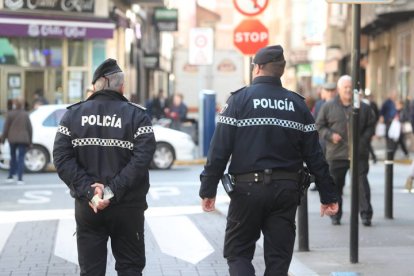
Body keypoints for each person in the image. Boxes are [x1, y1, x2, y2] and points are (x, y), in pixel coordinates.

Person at [199, 45, 338, 276]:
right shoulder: (298, 104)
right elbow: (315, 155)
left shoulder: (238, 101)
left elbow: (219, 150)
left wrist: (208, 189)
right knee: (278, 260)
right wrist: (328, 195)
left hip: (246, 191)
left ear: (258, 68)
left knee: (238, 253)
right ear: (280, 71)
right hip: (286, 191)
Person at [53, 58, 156, 275]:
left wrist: (91, 192)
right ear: (120, 86)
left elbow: (61, 158)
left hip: (89, 206)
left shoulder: (73, 115)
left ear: (97, 85)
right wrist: (111, 191)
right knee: (130, 268)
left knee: (91, 271)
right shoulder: (138, 116)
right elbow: (142, 160)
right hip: (127, 207)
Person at [316, 75, 376, 226]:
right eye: (345, 87)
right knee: (336, 186)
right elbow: (319, 125)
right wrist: (330, 135)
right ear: (339, 89)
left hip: (359, 153)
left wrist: (362, 141)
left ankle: (366, 215)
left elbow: (371, 125)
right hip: (336, 153)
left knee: (362, 185)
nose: (348, 90)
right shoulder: (328, 106)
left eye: (351, 87)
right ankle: (336, 215)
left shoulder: (363, 107)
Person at [0, 97, 32, 185]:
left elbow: (6, 128)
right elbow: (29, 128)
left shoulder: (10, 114)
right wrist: (30, 141)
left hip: (12, 139)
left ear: (15, 104)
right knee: (21, 158)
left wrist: (2, 140)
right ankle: (20, 178)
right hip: (23, 139)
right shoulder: (25, 114)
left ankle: (11, 175)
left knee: (12, 157)